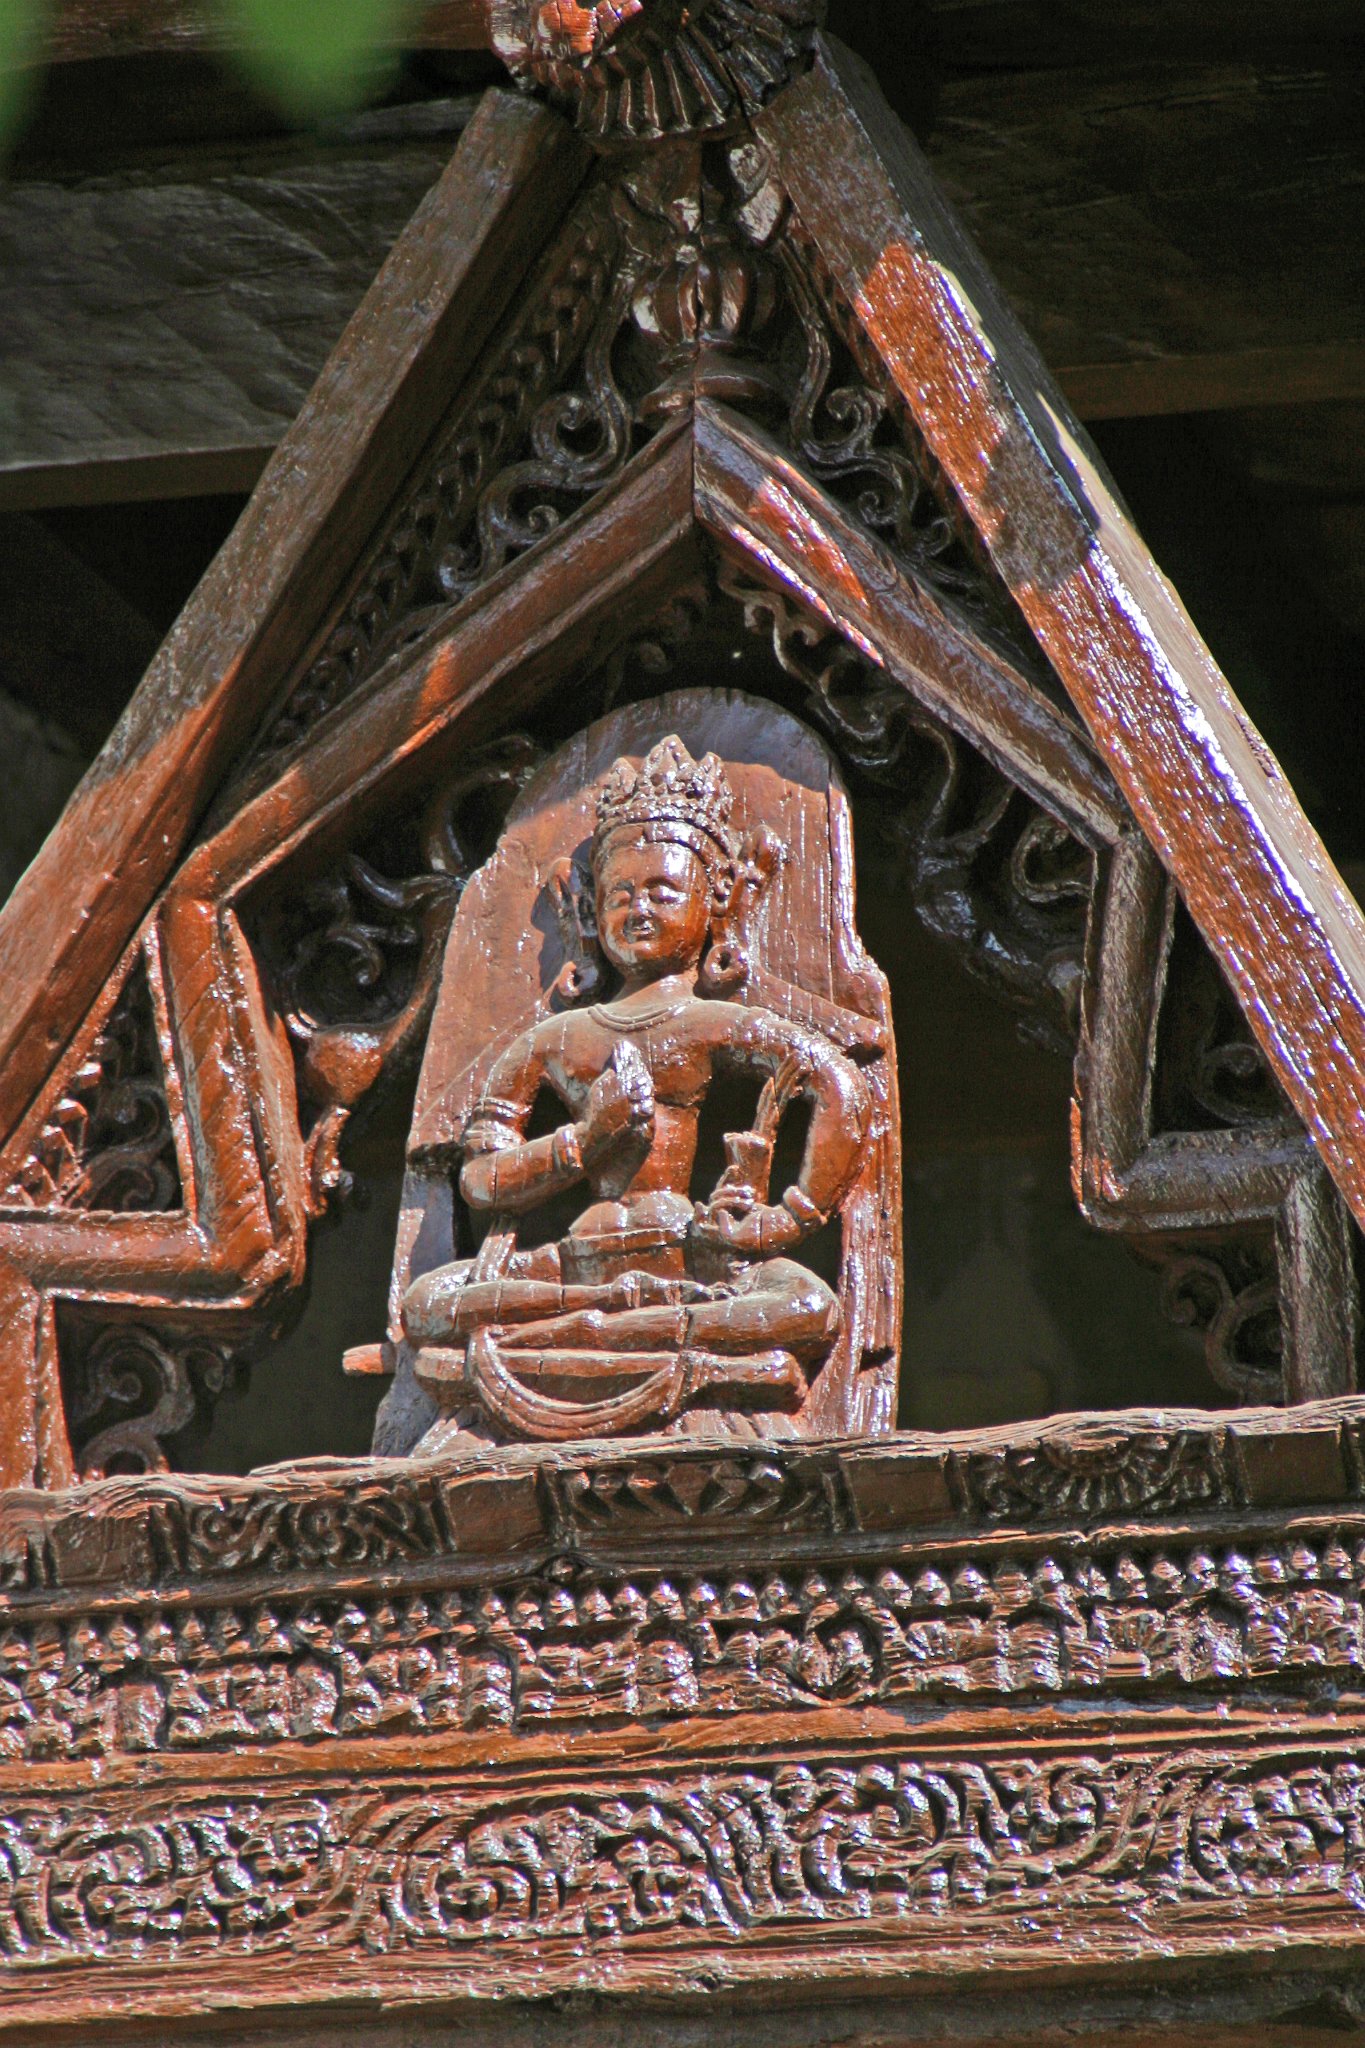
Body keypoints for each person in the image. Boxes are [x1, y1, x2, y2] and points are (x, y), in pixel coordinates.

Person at [402, 736, 870, 1437]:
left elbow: (838, 1087)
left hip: (690, 1255)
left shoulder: (715, 1024)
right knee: (426, 1304)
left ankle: (590, 1336)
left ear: (714, 901)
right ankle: (626, 1330)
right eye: (620, 896)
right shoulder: (555, 1039)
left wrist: (787, 1219)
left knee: (808, 1307)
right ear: (591, 913)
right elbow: (480, 1179)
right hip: (572, 1266)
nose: (639, 910)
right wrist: (584, 1143)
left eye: (662, 891)